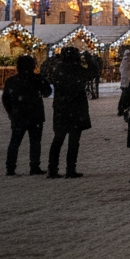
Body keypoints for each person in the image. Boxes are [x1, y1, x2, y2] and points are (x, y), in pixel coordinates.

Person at [47, 47, 94, 179]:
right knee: (73, 141)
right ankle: (70, 168)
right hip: (75, 108)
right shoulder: (77, 70)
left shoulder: (58, 70)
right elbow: (93, 72)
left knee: (58, 139)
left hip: (61, 108)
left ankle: (52, 168)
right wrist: (89, 59)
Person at [2, 54, 52, 176]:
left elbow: (5, 99)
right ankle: (34, 166)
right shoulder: (36, 79)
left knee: (15, 141)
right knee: (35, 142)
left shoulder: (12, 81)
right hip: (35, 114)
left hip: (19, 114)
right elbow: (47, 92)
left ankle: (10, 167)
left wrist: (11, 112)